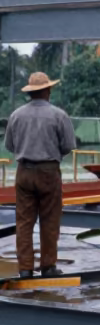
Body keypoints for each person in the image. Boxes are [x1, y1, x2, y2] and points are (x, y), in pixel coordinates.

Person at [4, 71, 76, 279]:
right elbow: (68, 146)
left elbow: (10, 145)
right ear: (47, 90)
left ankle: (25, 268)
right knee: (49, 220)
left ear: (31, 92)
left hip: (24, 172)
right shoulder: (59, 115)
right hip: (48, 172)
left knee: (24, 222)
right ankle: (48, 266)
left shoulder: (16, 115)